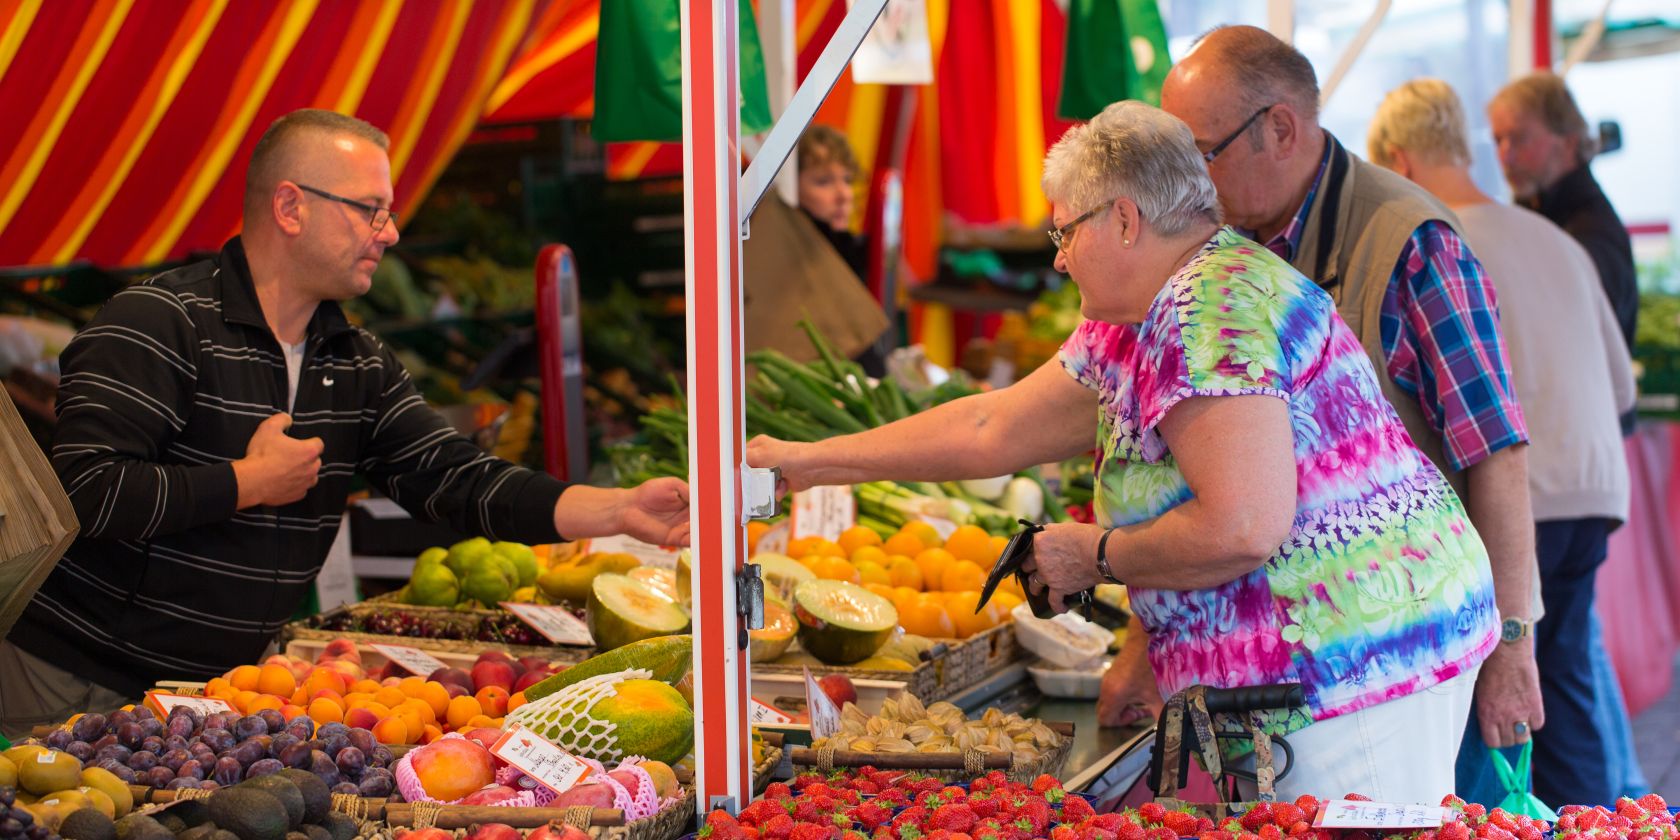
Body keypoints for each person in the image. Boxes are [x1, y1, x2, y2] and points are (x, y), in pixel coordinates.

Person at [749, 100, 1498, 801]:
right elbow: (994, 428)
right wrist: (807, 460)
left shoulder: (1211, 307)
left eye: (1064, 232)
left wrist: (1094, 554)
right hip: (1313, 665)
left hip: (1356, 664)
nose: (1059, 260)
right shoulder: (1136, 317)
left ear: (1127, 221)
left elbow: (1242, 525)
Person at [0, 110, 691, 738]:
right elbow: (86, 492)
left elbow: (458, 479)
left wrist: (622, 510)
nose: (389, 232)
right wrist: (248, 481)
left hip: (211, 701)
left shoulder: (354, 361)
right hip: (76, 679)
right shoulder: (159, 323)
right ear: (291, 206)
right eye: (370, 210)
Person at [1154, 25, 1543, 759]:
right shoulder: (1230, 249)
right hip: (1310, 657)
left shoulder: (1410, 242)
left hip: (1417, 648)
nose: (1193, 183)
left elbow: (1497, 452)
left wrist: (1512, 646)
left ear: (1280, 128)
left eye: (1203, 154)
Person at [1369, 78, 1637, 809]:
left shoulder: (1427, 243)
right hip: (1595, 491)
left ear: (1398, 159)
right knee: (1564, 692)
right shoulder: (1555, 236)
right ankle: (1594, 825)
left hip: (1514, 507)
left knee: (1486, 712)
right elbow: (1623, 389)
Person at [1489, 73, 1637, 375]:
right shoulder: (1537, 216)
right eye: (1498, 140)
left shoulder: (1591, 232)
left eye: (1519, 138)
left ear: (1568, 142)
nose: (1506, 154)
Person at [794, 125, 889, 377]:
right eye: (823, 182)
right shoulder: (794, 262)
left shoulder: (847, 249)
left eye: (847, 180)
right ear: (789, 187)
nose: (843, 194)